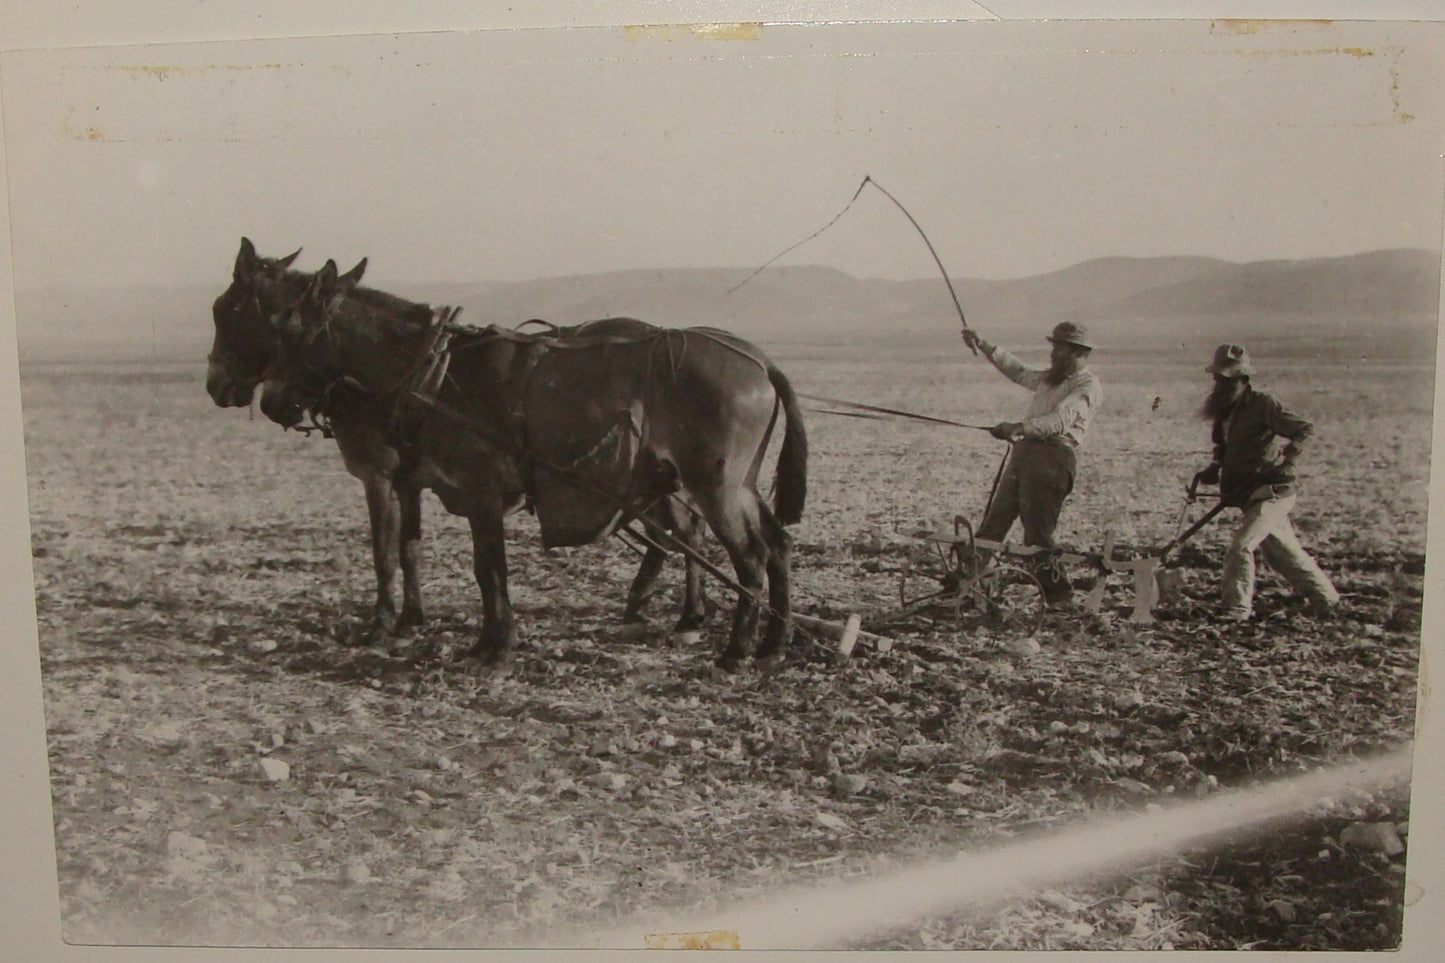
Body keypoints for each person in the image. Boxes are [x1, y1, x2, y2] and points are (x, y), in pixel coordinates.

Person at [1190, 343, 1339, 622]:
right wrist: (1214, 469)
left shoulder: (1263, 405)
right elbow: (1223, 448)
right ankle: (1326, 598)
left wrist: (1289, 463)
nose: (1220, 383)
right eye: (1217, 378)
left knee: (1241, 546)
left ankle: (1236, 610)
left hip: (1272, 492)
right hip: (1249, 494)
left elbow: (1304, 430)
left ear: (1243, 379)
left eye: (1226, 379)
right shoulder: (1223, 409)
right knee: (1283, 555)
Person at [961, 321, 1103, 606]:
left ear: (1078, 353)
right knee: (994, 524)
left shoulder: (1086, 386)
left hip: (1053, 459)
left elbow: (1060, 421)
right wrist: (984, 344)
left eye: (1060, 349)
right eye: (1054, 347)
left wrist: (1020, 427)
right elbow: (1019, 372)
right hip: (1025, 454)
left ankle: (1060, 596)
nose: (1053, 353)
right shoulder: (1053, 378)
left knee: (1037, 536)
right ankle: (969, 585)